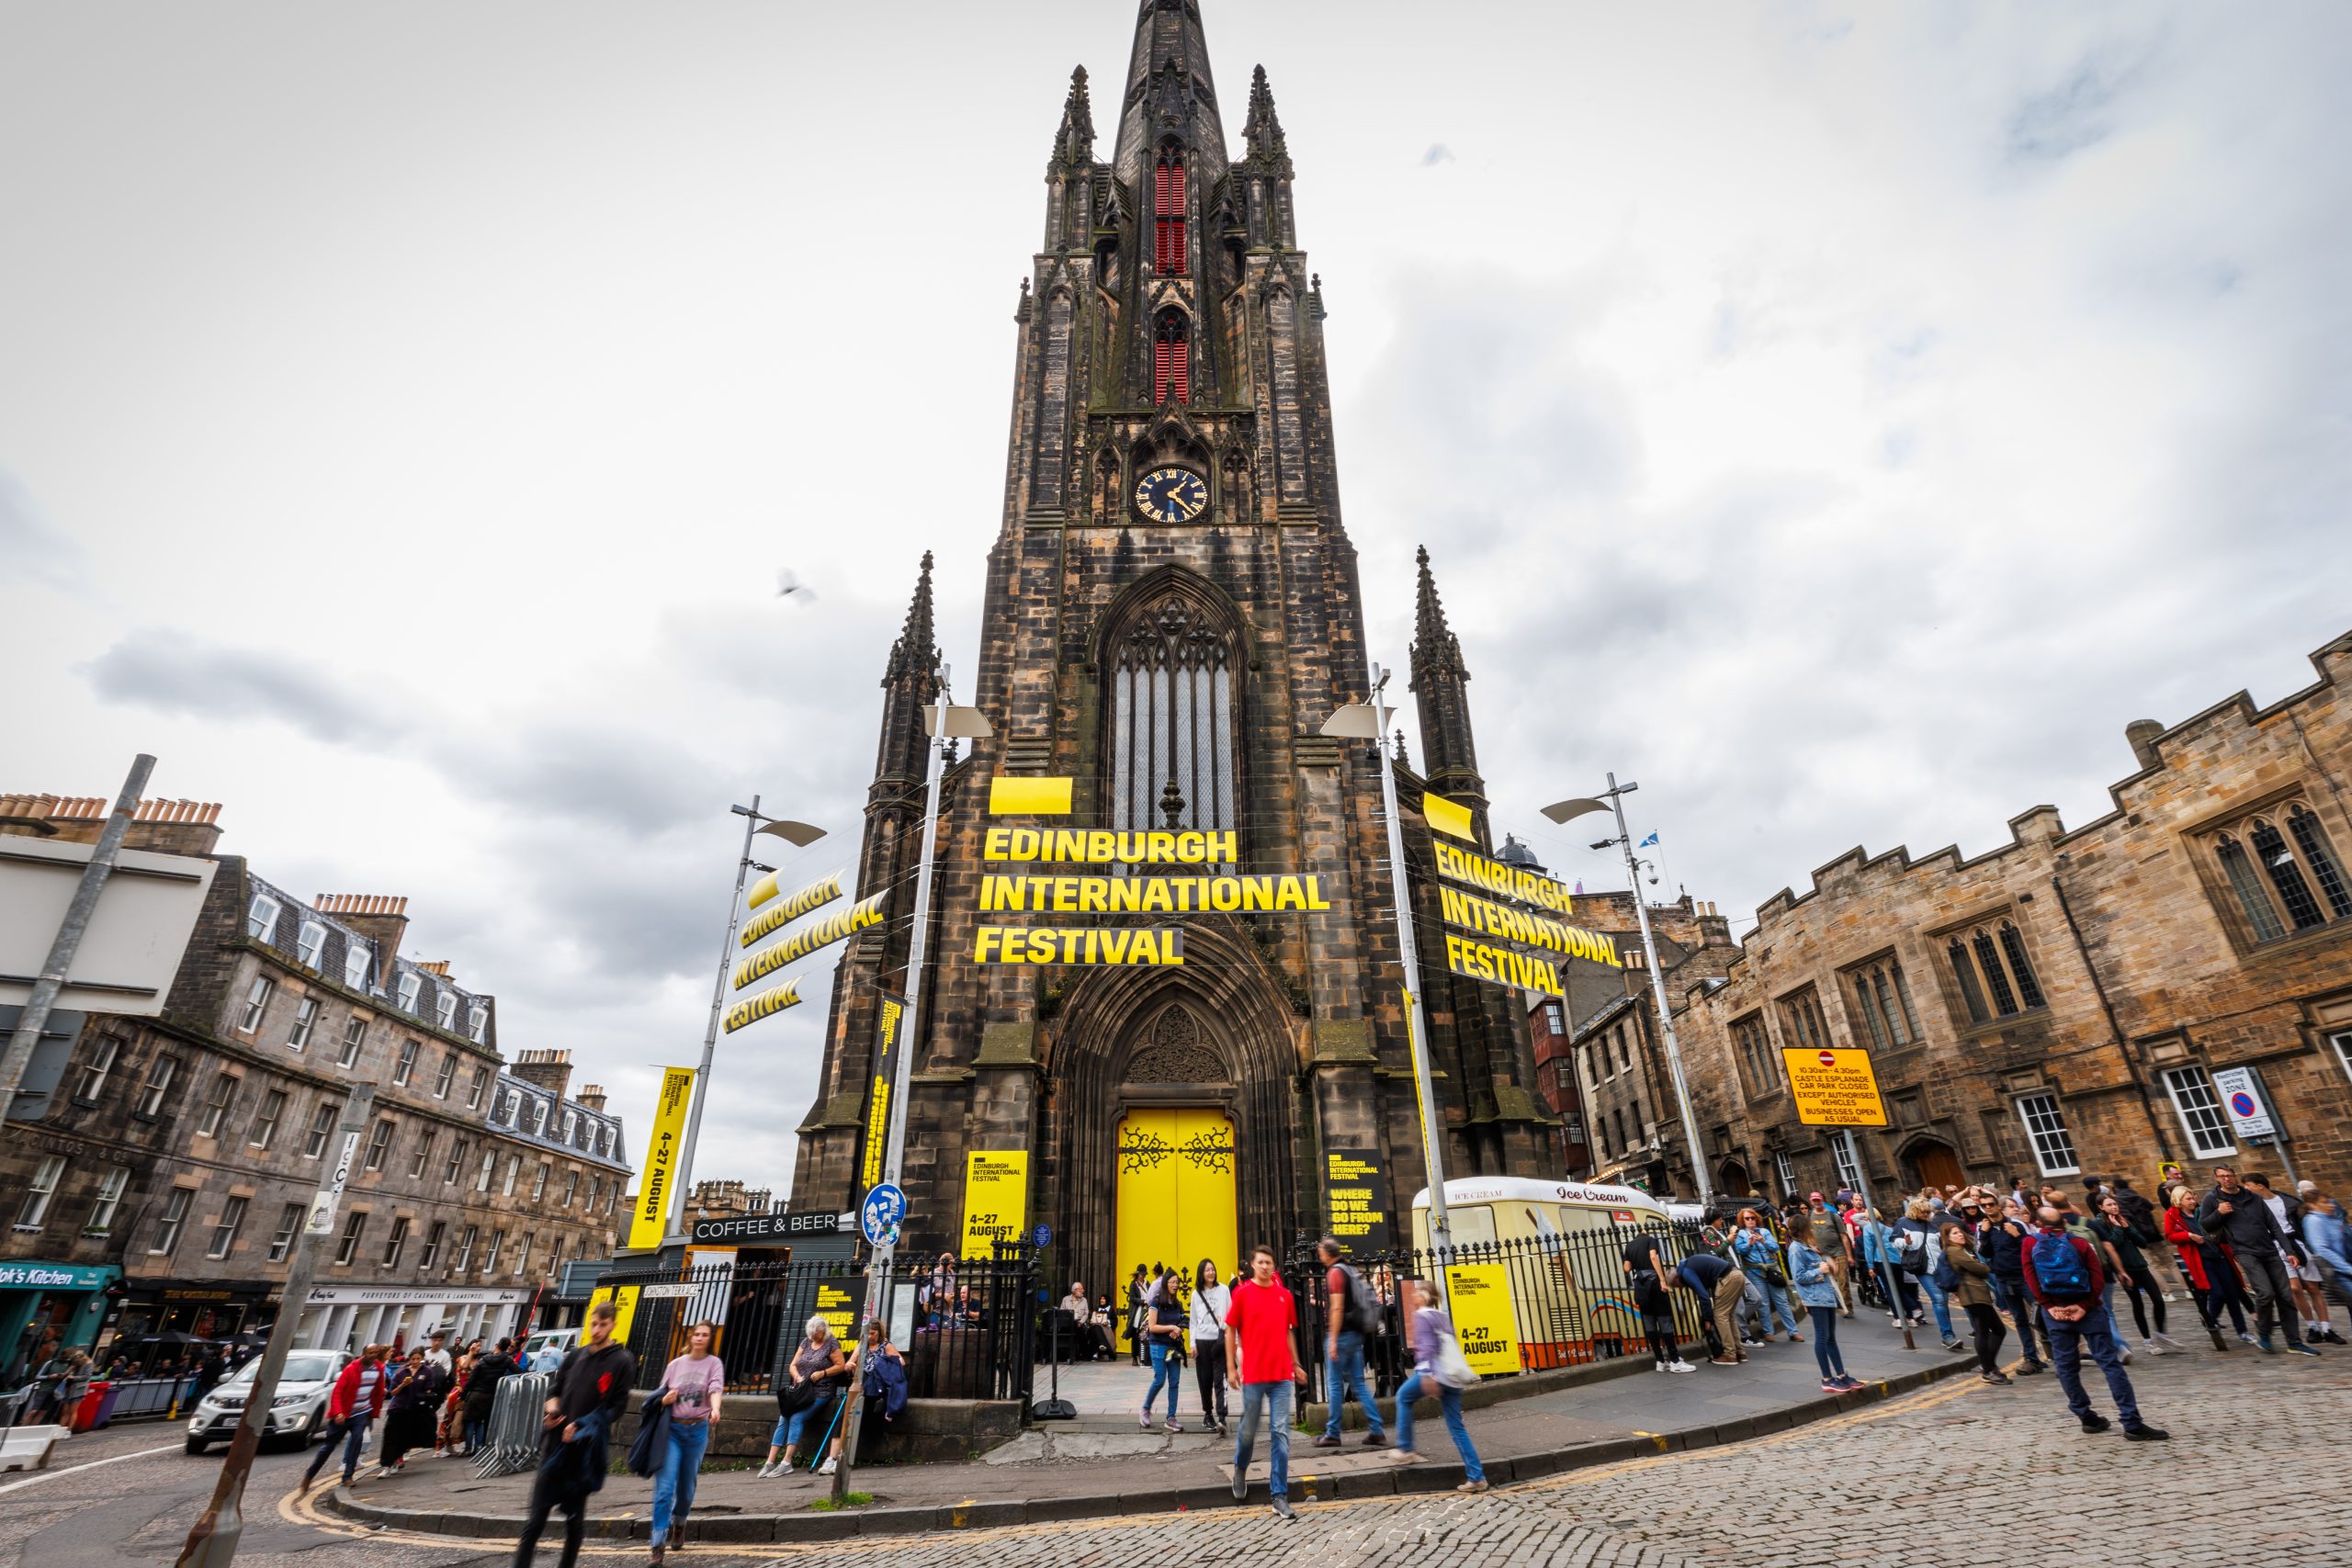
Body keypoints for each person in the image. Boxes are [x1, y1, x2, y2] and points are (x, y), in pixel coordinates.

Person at [2021, 1204, 2165, 1440]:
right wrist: (2084, 1306)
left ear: (2037, 1224)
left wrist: (2050, 1306)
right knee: (2110, 1364)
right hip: (2088, 1311)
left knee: (2066, 1367)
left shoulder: (2029, 1244)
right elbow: (2097, 1277)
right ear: (2064, 1223)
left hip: (2056, 1315)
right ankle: (2131, 1422)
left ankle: (2086, 1417)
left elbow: (2031, 1279)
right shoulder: (2079, 1244)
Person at [514, 1301, 634, 1568]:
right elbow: (555, 1389)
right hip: (554, 1448)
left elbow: (617, 1407)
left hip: (583, 1453)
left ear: (613, 1325)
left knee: (574, 1523)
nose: (596, 1329)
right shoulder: (575, 1355)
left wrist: (583, 1426)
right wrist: (551, 1408)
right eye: (594, 1323)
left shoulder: (622, 1361)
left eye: (602, 1325)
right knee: (535, 1521)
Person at [2199, 1166, 2319, 1357]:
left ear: (2235, 1176)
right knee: (2265, 1293)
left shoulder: (2252, 1196)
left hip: (2269, 1250)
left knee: (2286, 1296)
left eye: (2229, 1175)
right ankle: (2263, 1333)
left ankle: (2294, 1342)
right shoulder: (2212, 1199)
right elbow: (2205, 1225)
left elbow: (2274, 1225)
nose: (2227, 1179)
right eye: (2222, 1176)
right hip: (2244, 1251)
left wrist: (2289, 1251)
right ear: (2216, 1178)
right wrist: (2219, 1213)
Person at [1225, 1245, 1302, 1523]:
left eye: (1269, 1262)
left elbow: (1289, 1332)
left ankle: (1279, 1496)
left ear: (1274, 1266)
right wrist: (1231, 1367)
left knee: (1280, 1433)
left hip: (1281, 1375)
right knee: (1248, 1432)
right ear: (1253, 1265)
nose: (1265, 1266)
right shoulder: (1242, 1293)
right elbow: (1230, 1329)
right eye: (1261, 1262)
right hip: (1255, 1375)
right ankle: (1240, 1467)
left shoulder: (1285, 1296)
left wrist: (1296, 1363)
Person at [1387, 1278, 1487, 1494]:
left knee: (1403, 1397)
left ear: (1424, 1297)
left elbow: (1428, 1347)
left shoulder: (1422, 1316)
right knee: (1457, 1427)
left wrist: (1427, 1376)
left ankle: (1405, 1449)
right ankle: (1477, 1477)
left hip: (1435, 1374)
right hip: (1453, 1377)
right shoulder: (1442, 1316)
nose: (1413, 1296)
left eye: (1417, 1293)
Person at [647, 1320, 724, 1563]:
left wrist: (715, 1409)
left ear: (710, 1339)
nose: (699, 1338)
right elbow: (659, 1396)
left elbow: (715, 1389)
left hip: (697, 1431)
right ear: (691, 1337)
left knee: (686, 1489)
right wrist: (664, 1400)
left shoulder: (714, 1363)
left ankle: (680, 1524)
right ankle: (657, 1543)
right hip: (672, 1431)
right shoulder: (675, 1365)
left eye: (705, 1335)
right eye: (696, 1334)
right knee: (664, 1489)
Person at [2245, 1173, 2339, 1346]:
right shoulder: (2252, 1205)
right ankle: (2312, 1327)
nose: (2245, 1189)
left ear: (2260, 1185)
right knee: (2294, 1289)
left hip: (2297, 1244)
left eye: (2248, 1185)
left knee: (2312, 1287)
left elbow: (2302, 1222)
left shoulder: (2286, 1200)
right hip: (2275, 1247)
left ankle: (2326, 1329)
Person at [1313, 1237, 1387, 1448]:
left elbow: (1337, 1307)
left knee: (1335, 1383)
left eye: (1320, 1250)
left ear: (1327, 1253)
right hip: (1356, 1334)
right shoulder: (1349, 1269)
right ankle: (1376, 1430)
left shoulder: (1335, 1273)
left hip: (1342, 1335)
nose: (1318, 1253)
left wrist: (1333, 1340)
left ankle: (1333, 1433)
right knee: (1359, 1383)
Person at [2090, 1193, 2182, 1356]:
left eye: (2115, 1204)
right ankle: (2148, 1342)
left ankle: (2161, 1334)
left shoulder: (2122, 1219)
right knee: (2138, 1304)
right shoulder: (2098, 1224)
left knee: (2158, 1300)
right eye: (2109, 1205)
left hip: (2140, 1265)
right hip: (2124, 1269)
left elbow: (2142, 1242)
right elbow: (2111, 1246)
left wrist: (2127, 1227)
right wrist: (2118, 1228)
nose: (2114, 1207)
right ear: (2101, 1207)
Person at [761, 1316, 851, 1478]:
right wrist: (797, 1376)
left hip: (821, 1391)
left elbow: (840, 1366)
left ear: (823, 1331)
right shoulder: (806, 1342)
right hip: (802, 1390)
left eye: (816, 1335)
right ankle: (770, 1461)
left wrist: (823, 1373)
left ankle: (787, 1462)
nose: (813, 1338)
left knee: (797, 1417)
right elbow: (793, 1365)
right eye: (811, 1335)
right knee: (784, 1416)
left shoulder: (831, 1343)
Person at [2164, 1182, 2245, 1348]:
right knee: (2217, 1293)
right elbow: (2170, 1236)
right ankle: (2210, 1319)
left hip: (2219, 1254)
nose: (2192, 1201)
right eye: (2188, 1199)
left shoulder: (2201, 1211)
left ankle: (2242, 1330)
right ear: (2179, 1201)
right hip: (2200, 1259)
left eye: (2192, 1197)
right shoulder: (2172, 1215)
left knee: (2232, 1293)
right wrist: (2188, 1236)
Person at [300, 1343, 389, 1494]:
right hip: (344, 1414)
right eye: (370, 1353)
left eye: (375, 1352)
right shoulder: (351, 1369)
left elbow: (378, 1391)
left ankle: (348, 1476)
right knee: (328, 1447)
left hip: (361, 1412)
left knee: (357, 1440)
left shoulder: (379, 1369)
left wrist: (374, 1410)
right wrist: (338, 1412)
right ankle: (309, 1475)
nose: (373, 1355)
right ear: (364, 1353)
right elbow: (337, 1392)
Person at [1978, 1198, 2050, 1374]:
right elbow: (1984, 1253)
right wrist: (1984, 1234)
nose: (1988, 1207)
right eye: (1984, 1205)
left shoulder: (2015, 1225)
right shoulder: (1985, 1228)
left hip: (2024, 1278)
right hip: (2004, 1280)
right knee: (2020, 1320)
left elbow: (2030, 1247)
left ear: (1998, 1206)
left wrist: (2017, 1235)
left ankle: (2061, 1354)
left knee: (2043, 1315)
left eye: (1991, 1204)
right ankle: (2031, 1359)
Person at [1787, 1228, 1860, 1392]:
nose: (1812, 1231)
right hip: (1815, 1299)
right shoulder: (1796, 1249)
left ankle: (1841, 1375)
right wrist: (1819, 1270)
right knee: (1822, 1338)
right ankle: (1827, 1379)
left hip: (1825, 1296)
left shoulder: (1809, 1247)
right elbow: (1799, 1277)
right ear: (1802, 1230)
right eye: (1809, 1228)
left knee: (1830, 1338)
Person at [1940, 1220, 2008, 1384]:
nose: (1960, 1235)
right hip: (1972, 1295)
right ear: (1947, 1238)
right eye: (1955, 1233)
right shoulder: (1954, 1251)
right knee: (1986, 1331)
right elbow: (1980, 1269)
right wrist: (1983, 1267)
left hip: (1977, 1294)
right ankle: (1988, 1369)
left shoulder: (1962, 1249)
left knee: (1996, 1330)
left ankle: (1989, 1366)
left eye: (1960, 1232)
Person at [1892, 1198, 1962, 1350]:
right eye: (1923, 1211)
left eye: (1928, 1211)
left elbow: (1941, 1245)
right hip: (1922, 1268)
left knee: (1943, 1301)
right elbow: (1894, 1242)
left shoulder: (1932, 1225)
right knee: (1938, 1299)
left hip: (1940, 1267)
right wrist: (1905, 1243)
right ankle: (1948, 1336)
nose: (1926, 1214)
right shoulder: (1903, 1222)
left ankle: (1948, 1335)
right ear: (1915, 1210)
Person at [1622, 1229, 1693, 1373]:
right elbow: (1653, 1257)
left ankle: (1660, 1361)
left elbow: (1627, 1268)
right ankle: (1675, 1361)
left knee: (1649, 1323)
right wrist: (1662, 1280)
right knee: (1665, 1320)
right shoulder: (1650, 1240)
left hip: (1640, 1286)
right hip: (1654, 1282)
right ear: (1645, 1235)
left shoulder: (1629, 1246)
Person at [1732, 1209, 1801, 1344]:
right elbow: (1740, 1251)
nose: (1750, 1221)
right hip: (1755, 1272)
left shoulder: (1764, 1231)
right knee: (1763, 1303)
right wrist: (1749, 1244)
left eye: (1752, 1218)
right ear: (1742, 1221)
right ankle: (1768, 1331)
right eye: (1747, 1218)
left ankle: (1793, 1331)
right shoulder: (1741, 1234)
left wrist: (1763, 1241)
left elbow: (1775, 1247)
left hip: (1772, 1270)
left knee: (1781, 1301)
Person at [1670, 1247, 1748, 1365]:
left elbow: (1704, 1296)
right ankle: (1740, 1353)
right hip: (1738, 1274)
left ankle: (1730, 1355)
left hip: (1727, 1278)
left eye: (1676, 1286)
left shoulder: (1686, 1272)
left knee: (1720, 1315)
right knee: (1729, 1315)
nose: (1680, 1288)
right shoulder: (1690, 1264)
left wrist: (1707, 1319)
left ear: (1676, 1279)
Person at [378, 1348, 449, 1473]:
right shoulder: (401, 1372)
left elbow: (429, 1389)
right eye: (413, 1359)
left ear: (422, 1359)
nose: (415, 1361)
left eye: (418, 1359)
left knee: (404, 1437)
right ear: (409, 1359)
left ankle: (396, 1461)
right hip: (398, 1408)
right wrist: (402, 1385)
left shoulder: (426, 1371)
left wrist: (426, 1396)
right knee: (390, 1436)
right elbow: (392, 1393)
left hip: (414, 1410)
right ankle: (387, 1465)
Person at [1139, 1266, 1188, 1433]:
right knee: (1160, 1379)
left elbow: (1183, 1321)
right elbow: (1152, 1327)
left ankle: (1171, 1418)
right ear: (1166, 1283)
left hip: (1173, 1348)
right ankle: (1145, 1409)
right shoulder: (1156, 1302)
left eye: (1177, 1282)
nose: (1175, 1285)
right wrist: (1171, 1328)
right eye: (1172, 1282)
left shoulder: (1178, 1304)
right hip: (1158, 1345)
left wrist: (1178, 1330)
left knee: (1174, 1382)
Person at [1189, 1258, 1231, 1434]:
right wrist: (1192, 1343)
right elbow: (1193, 1321)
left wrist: (1232, 1340)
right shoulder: (1196, 1294)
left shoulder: (1224, 1290)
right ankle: (1208, 1414)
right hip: (1202, 1341)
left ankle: (1222, 1417)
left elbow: (1230, 1315)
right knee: (1205, 1380)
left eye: (1212, 1269)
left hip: (1219, 1340)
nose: (1211, 1272)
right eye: (1207, 1270)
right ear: (1201, 1273)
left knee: (1220, 1380)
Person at [462, 1338, 517, 1456]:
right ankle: (479, 1447)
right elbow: (519, 1371)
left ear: (497, 1345)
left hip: (476, 1393)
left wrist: (463, 1395)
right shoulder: (507, 1360)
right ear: (508, 1347)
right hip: (491, 1394)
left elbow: (472, 1379)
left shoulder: (483, 1360)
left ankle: (468, 1448)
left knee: (470, 1421)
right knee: (481, 1421)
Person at [2302, 1193, 2352, 1315]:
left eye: (2329, 1202)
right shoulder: (2314, 1221)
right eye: (2325, 1202)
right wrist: (2348, 1269)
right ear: (2312, 1205)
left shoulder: (2332, 1219)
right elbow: (2321, 1249)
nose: (2331, 1205)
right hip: (2338, 1271)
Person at [1805, 1193, 1855, 1316]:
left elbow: (1844, 1236)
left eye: (1818, 1200)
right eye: (1814, 1200)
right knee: (1829, 1283)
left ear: (1822, 1200)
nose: (1816, 1202)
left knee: (1843, 1282)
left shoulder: (1833, 1216)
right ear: (1811, 1202)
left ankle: (1848, 1308)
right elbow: (1807, 1234)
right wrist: (1811, 1246)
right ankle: (1835, 1306)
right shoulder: (1809, 1216)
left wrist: (1849, 1256)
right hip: (1822, 1256)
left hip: (1838, 1253)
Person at [859, 1321, 907, 1444]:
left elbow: (901, 1362)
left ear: (879, 1332)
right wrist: (850, 1364)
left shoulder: (886, 1345)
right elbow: (851, 1361)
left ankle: (870, 1441)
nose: (870, 1336)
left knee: (870, 1411)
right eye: (867, 1334)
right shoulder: (862, 1345)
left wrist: (885, 1362)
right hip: (864, 1383)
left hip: (878, 1385)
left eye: (873, 1333)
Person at [1125, 1264, 1149, 1366]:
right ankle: (1134, 1357)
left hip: (1147, 1310)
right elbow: (1132, 1298)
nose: (1143, 1276)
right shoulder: (1133, 1284)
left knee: (1145, 1334)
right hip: (1137, 1311)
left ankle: (1144, 1357)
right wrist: (1142, 1301)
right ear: (1138, 1274)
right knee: (1136, 1334)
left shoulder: (1147, 1283)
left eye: (1144, 1274)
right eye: (1142, 1274)